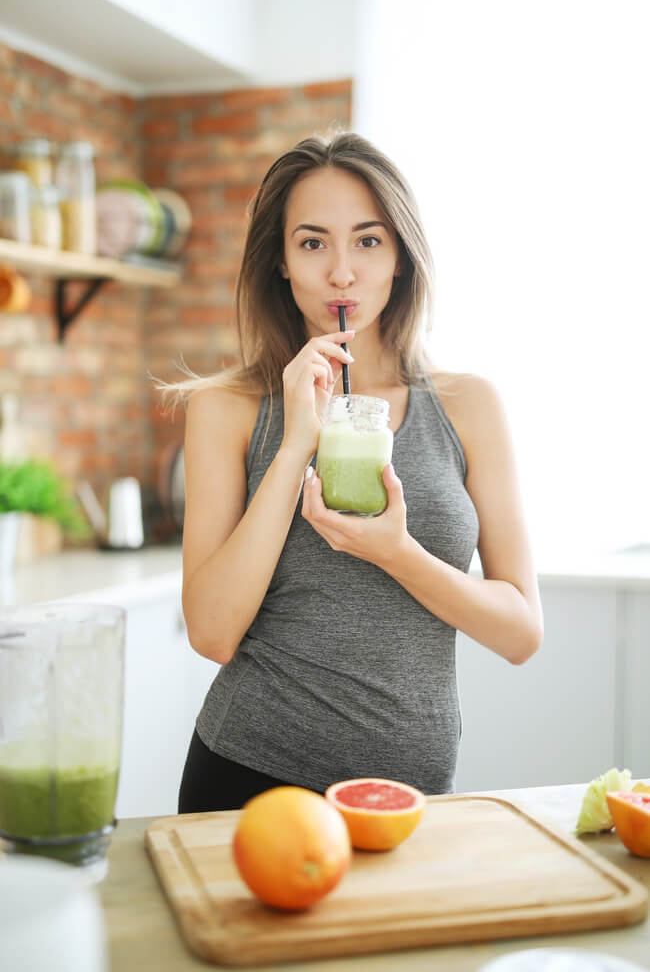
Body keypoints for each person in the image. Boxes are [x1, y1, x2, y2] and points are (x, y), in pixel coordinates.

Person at [170, 131, 543, 813]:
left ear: (400, 256)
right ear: (281, 262)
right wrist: (293, 446)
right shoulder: (226, 409)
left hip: (413, 796)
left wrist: (396, 552)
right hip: (250, 780)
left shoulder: (468, 405)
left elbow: (520, 631)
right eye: (312, 243)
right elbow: (212, 632)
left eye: (368, 241)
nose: (341, 272)